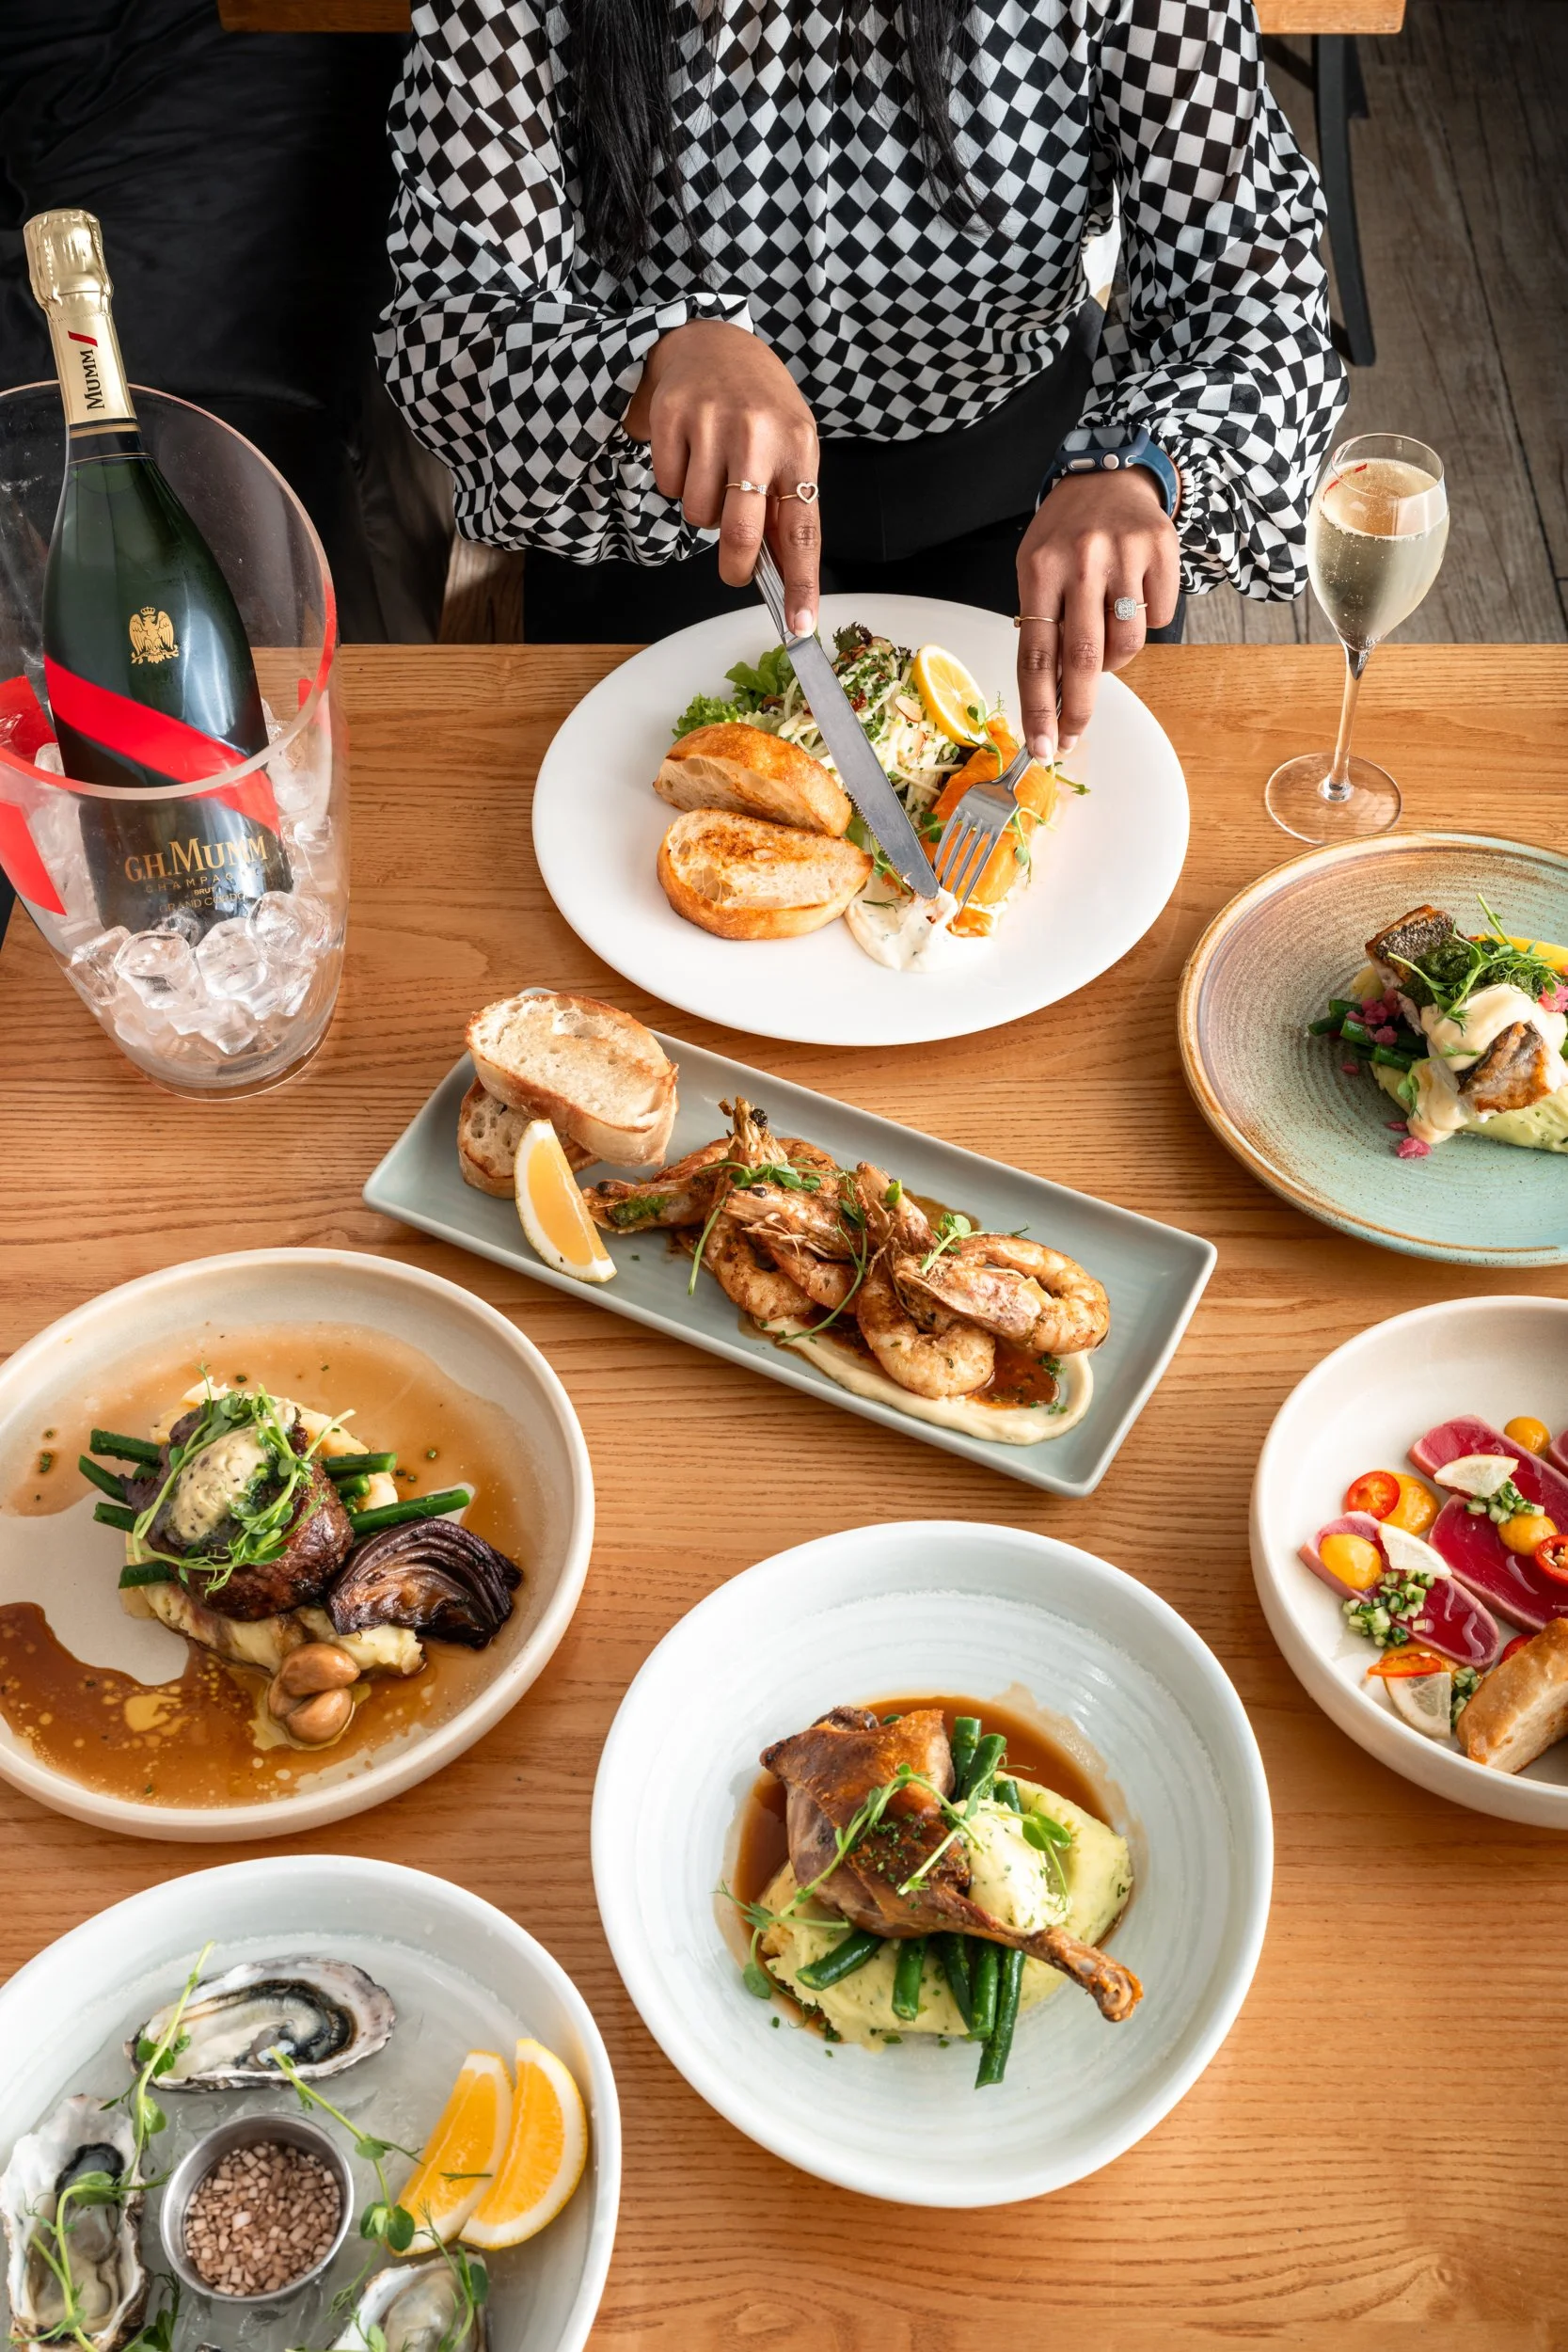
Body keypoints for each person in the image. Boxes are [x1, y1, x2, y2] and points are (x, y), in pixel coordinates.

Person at [381, 0, 1344, 761]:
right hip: (663, 515)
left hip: (1028, 495)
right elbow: (445, 319)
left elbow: (1252, 277)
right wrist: (647, 365)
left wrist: (1145, 467)